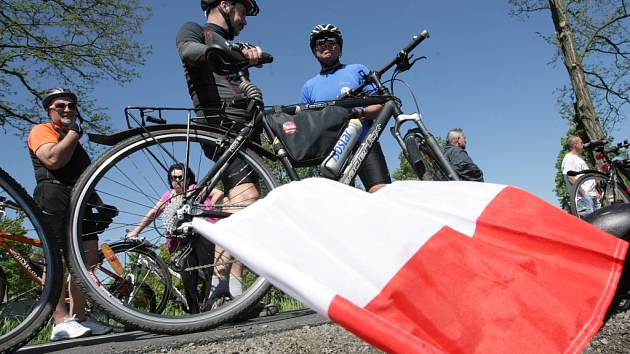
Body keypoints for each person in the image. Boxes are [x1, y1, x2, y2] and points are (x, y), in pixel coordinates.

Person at [176, 0, 262, 299]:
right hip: (220, 126)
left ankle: (229, 291)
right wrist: (217, 51)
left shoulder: (233, 44)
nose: (245, 21)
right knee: (247, 201)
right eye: (243, 11)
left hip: (245, 126)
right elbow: (188, 50)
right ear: (225, 4)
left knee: (239, 208)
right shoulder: (197, 30)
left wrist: (250, 57)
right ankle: (222, 288)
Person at [28, 88, 113, 340]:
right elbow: (53, 160)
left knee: (87, 260)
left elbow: (83, 177)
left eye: (71, 105)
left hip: (81, 200)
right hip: (53, 196)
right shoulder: (42, 131)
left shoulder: (71, 138)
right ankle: (60, 322)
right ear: (49, 110)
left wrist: (100, 204)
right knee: (56, 261)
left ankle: (81, 317)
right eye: (60, 105)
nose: (67, 109)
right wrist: (74, 133)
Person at [300, 24, 391, 193]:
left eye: (331, 41)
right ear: (314, 50)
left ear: (339, 47)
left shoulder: (357, 70)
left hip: (363, 142)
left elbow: (381, 106)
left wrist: (360, 111)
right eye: (320, 42)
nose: (326, 45)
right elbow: (308, 125)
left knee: (381, 192)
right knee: (340, 203)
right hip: (331, 151)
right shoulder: (308, 87)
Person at [126, 163, 224, 313]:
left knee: (209, 270)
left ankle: (211, 307)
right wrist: (136, 231)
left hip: (201, 234)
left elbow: (218, 193)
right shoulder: (168, 196)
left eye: (180, 177)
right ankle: (195, 314)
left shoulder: (195, 189)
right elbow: (154, 212)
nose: (177, 180)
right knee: (187, 278)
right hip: (182, 239)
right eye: (173, 177)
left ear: (188, 178)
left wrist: (208, 208)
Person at [561, 135, 599, 215]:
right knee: (590, 224)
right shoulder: (569, 158)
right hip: (583, 198)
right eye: (581, 143)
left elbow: (586, 178)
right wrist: (584, 194)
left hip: (591, 196)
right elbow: (570, 177)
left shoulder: (578, 158)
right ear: (576, 144)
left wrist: (595, 192)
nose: (583, 144)